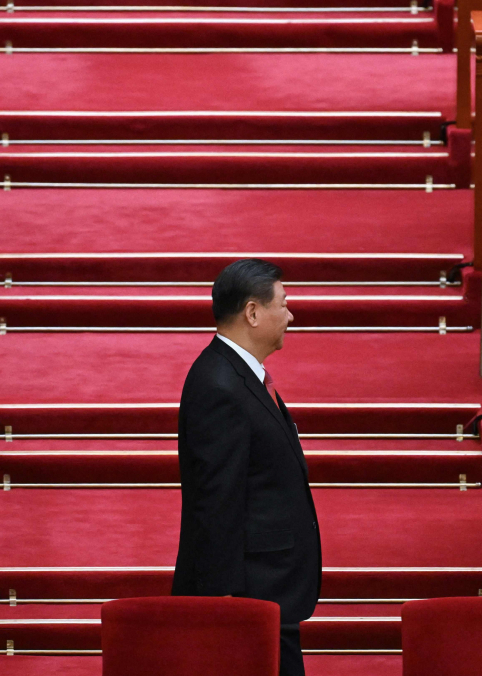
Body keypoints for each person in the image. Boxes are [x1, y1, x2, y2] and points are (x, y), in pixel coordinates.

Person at [173, 259, 320, 676]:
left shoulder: (239, 376)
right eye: (284, 304)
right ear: (253, 313)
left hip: (270, 593)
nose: (291, 315)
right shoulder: (220, 385)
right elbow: (217, 500)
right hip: (250, 596)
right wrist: (222, 603)